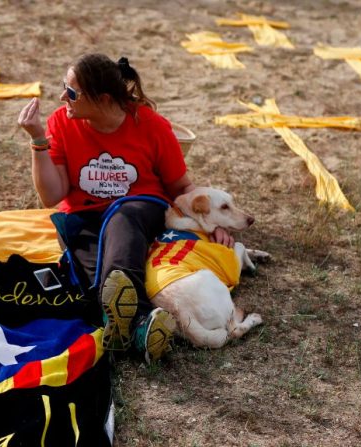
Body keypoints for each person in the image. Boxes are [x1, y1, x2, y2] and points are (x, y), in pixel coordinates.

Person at [17, 54, 233, 361]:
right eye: (64, 86)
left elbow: (182, 187)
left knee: (122, 219)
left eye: (72, 92)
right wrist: (39, 140)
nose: (62, 96)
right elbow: (52, 196)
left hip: (140, 210)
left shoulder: (152, 126)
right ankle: (138, 331)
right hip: (84, 216)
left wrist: (214, 222)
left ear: (103, 98)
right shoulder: (60, 123)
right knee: (91, 279)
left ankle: (131, 318)